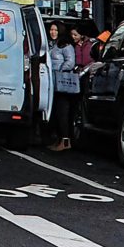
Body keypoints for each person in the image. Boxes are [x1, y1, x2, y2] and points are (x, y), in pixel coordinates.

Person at [45, 23, 80, 152]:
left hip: (62, 82)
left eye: (55, 30)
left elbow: (70, 62)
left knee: (63, 113)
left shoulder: (65, 46)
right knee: (55, 113)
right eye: (51, 29)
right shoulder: (51, 44)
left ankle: (65, 140)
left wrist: (60, 70)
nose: (53, 32)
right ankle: (59, 139)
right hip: (52, 83)